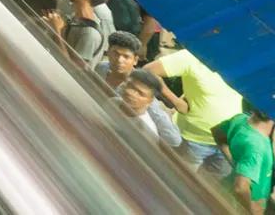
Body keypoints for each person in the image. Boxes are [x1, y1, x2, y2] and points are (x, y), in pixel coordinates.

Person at [146, 44, 243, 174]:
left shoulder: (242, 63)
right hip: (193, 140)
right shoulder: (192, 56)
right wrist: (175, 101)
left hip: (227, 144)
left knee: (211, 188)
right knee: (180, 180)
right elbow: (148, 70)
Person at [97, 32, 182, 148]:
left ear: (135, 60)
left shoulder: (143, 95)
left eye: (126, 57)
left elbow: (173, 139)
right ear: (108, 52)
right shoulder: (101, 68)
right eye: (115, 53)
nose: (119, 60)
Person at [214, 106, 275, 212]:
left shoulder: (240, 119)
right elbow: (240, 188)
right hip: (239, 205)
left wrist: (237, 164)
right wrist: (252, 209)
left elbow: (217, 133)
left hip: (226, 189)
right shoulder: (258, 147)